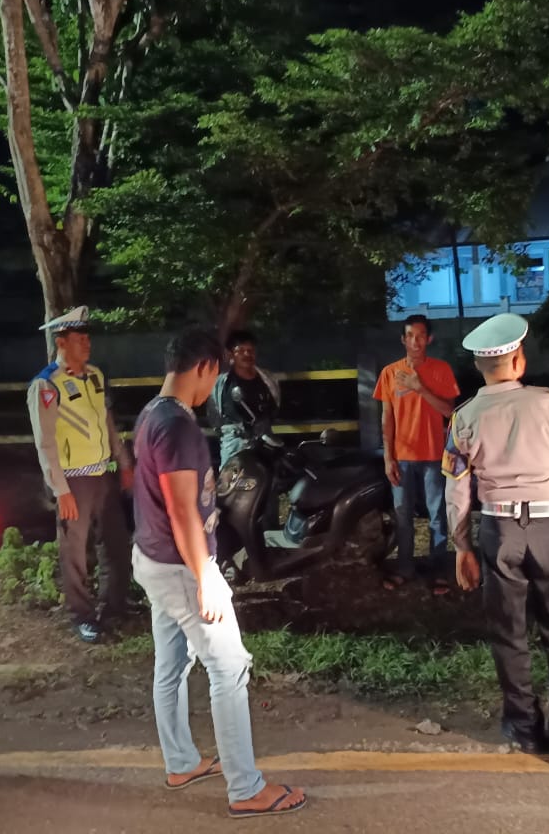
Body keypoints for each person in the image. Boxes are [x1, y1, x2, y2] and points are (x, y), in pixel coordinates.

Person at [129, 328, 307, 819]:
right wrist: (206, 575)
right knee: (229, 667)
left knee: (171, 664)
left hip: (153, 559)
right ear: (206, 367)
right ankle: (246, 788)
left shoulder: (151, 413)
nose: (214, 386)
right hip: (181, 568)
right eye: (215, 374)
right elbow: (182, 509)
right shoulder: (177, 426)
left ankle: (181, 763)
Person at [444, 313, 549, 767]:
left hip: (499, 533)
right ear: (518, 360)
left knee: (509, 633)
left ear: (479, 366)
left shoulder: (464, 418)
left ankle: (524, 729)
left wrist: (462, 546)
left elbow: (457, 490)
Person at [27, 305, 134, 643]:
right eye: (79, 339)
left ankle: (115, 605)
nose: (87, 344)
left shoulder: (95, 376)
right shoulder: (47, 384)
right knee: (75, 552)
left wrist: (124, 462)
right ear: (61, 342)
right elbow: (45, 442)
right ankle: (82, 616)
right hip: (72, 479)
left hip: (103, 473)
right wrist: (61, 490)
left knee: (116, 543)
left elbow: (107, 422)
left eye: (87, 338)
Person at [373, 315, 461, 594]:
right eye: (410, 335)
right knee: (403, 516)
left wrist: (419, 388)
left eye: (421, 336)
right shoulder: (390, 373)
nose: (415, 341)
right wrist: (388, 457)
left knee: (437, 515)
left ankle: (438, 570)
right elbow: (387, 419)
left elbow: (450, 412)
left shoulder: (441, 370)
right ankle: (405, 568)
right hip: (402, 456)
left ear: (429, 339)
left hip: (434, 455)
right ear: (403, 339)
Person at [208, 330, 282, 467]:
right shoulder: (220, 384)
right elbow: (214, 417)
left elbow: (275, 407)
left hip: (263, 445)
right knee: (231, 479)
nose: (247, 354)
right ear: (231, 354)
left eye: (250, 350)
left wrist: (264, 424)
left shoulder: (268, 380)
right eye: (241, 350)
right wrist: (232, 432)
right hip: (233, 446)